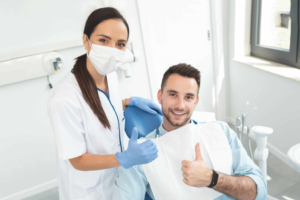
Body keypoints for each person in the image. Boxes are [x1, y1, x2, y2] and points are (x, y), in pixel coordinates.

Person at [47, 7, 160, 200]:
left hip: (117, 181)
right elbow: (77, 160)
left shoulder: (111, 76)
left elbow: (102, 108)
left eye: (120, 44)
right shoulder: (64, 98)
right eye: (103, 40)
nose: (112, 50)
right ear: (86, 41)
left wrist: (128, 104)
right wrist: (123, 158)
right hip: (88, 190)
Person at [112, 63, 267, 200]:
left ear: (196, 101)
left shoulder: (221, 131)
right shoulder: (140, 152)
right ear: (160, 96)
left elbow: (258, 192)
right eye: (173, 95)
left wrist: (213, 179)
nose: (180, 105)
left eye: (188, 97)